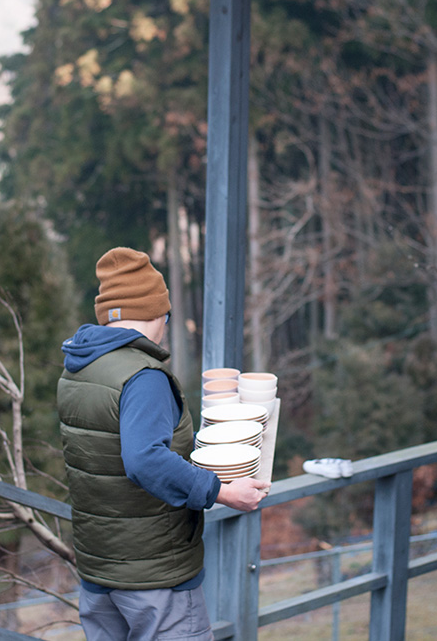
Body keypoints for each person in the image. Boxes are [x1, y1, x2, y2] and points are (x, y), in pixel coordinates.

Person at [57, 247, 270, 641]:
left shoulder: (78, 368)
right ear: (156, 313)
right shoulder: (144, 377)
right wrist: (222, 490)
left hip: (99, 574)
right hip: (155, 577)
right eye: (165, 315)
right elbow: (143, 459)